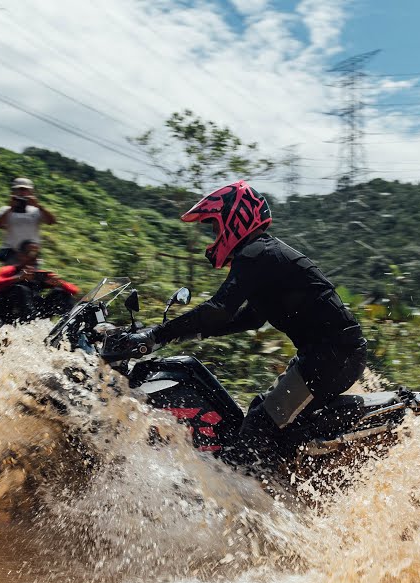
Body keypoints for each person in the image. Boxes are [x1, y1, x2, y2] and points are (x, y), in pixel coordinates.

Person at [120, 181, 367, 464]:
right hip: (329, 354)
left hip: (332, 356)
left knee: (257, 430)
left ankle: (257, 494)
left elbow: (220, 308)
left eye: (215, 226)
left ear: (234, 218)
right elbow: (250, 318)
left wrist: (157, 335)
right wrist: (187, 334)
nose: (214, 236)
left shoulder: (256, 254)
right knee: (262, 413)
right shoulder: (263, 253)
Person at [0, 240, 78, 323]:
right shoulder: (10, 270)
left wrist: (59, 283)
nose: (34, 258)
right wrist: (18, 278)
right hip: (12, 316)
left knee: (60, 293)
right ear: (20, 255)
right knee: (20, 289)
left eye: (37, 254)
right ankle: (32, 324)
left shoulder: (39, 275)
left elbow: (74, 290)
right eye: (30, 253)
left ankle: (71, 325)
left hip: (36, 314)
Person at [0, 177, 56, 262]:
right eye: (19, 190)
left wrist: (39, 206)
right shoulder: (5, 209)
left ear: (31, 192)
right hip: (11, 250)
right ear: (13, 192)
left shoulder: (36, 210)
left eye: (25, 190)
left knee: (30, 274)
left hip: (31, 252)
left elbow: (51, 221)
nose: (22, 193)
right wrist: (11, 208)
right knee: (10, 274)